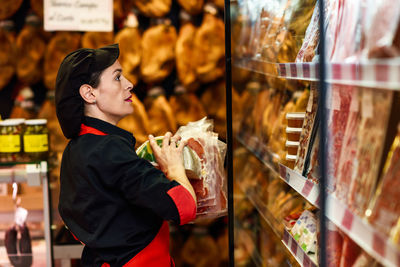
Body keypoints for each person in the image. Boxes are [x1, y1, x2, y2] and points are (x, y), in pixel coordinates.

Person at [55, 43, 197, 267]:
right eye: (117, 77)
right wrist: (174, 167)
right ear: (89, 93)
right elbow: (185, 207)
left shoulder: (76, 148)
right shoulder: (110, 150)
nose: (130, 85)